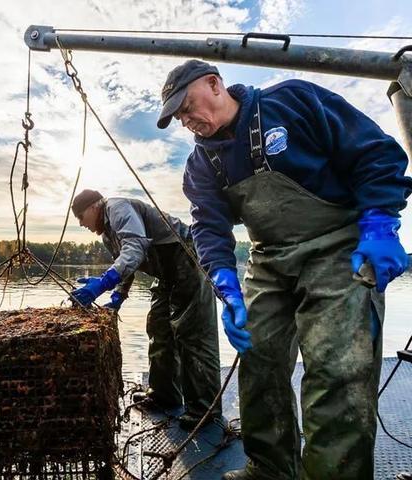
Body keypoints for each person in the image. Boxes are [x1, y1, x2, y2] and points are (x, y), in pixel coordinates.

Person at [157, 59, 411, 479]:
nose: (186, 121)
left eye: (186, 107)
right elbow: (208, 227)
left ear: (214, 84)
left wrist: (381, 221)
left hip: (339, 249)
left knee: (335, 370)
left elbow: (375, 152)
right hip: (270, 258)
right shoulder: (202, 164)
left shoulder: (290, 101)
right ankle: (269, 467)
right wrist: (226, 285)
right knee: (258, 359)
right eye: (179, 117)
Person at [70, 189, 222, 429]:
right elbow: (127, 262)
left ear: (93, 207)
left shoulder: (116, 207)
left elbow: (136, 247)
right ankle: (165, 395)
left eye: (80, 216)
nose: (81, 223)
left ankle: (205, 410)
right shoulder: (107, 234)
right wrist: (118, 294)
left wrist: (102, 283)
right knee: (158, 327)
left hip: (187, 257)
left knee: (192, 334)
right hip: (165, 271)